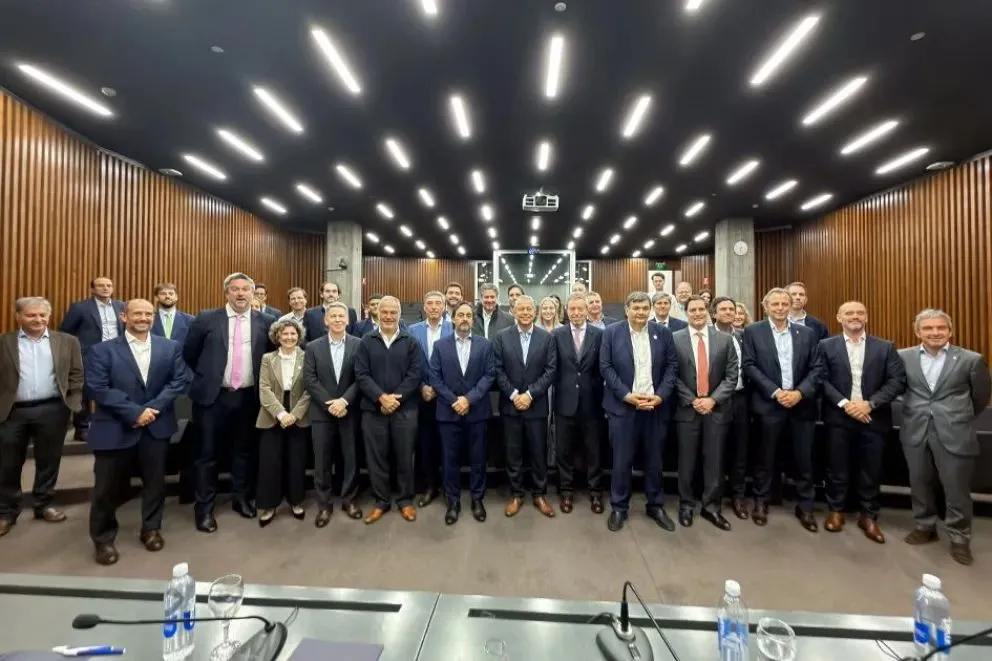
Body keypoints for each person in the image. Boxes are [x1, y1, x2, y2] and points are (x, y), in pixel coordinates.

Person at [84, 299, 189, 565]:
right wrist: (134, 412)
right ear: (124, 317)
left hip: (156, 426)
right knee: (106, 488)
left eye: (148, 314)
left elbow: (178, 380)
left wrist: (152, 409)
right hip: (114, 427)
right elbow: (97, 387)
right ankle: (103, 539)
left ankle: (151, 529)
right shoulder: (102, 350)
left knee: (155, 483)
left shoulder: (170, 347)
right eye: (137, 313)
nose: (143, 318)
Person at [899, 308, 991, 566]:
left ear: (950, 331)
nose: (935, 332)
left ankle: (959, 537)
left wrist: (956, 416)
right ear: (917, 332)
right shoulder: (903, 357)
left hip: (955, 431)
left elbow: (980, 397)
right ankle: (925, 526)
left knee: (956, 488)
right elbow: (898, 388)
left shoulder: (971, 360)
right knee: (919, 482)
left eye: (941, 327)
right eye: (928, 328)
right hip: (915, 429)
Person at [183, 273, 274, 532]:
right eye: (235, 289)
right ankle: (204, 509)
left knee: (243, 452)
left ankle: (241, 499)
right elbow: (190, 353)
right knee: (206, 455)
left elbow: (269, 357)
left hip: (248, 397)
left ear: (253, 293)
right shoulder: (206, 319)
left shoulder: (266, 322)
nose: (241, 293)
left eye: (246, 289)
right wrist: (209, 377)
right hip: (213, 397)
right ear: (226, 293)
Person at [817, 301, 906, 544]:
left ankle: (868, 515)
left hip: (873, 417)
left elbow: (897, 381)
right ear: (839, 317)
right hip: (838, 417)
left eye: (859, 313)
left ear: (866, 317)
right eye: (849, 313)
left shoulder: (885, 347)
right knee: (836, 467)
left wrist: (870, 404)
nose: (854, 316)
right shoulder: (826, 346)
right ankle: (836, 510)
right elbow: (821, 379)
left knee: (872, 469)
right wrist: (846, 404)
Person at [0, 297, 83, 537]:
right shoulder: (4, 342)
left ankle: (44, 504)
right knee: (7, 464)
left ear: (49, 316)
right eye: (31, 315)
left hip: (53, 410)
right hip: (12, 412)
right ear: (18, 316)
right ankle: (6, 512)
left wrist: (73, 402)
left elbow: (77, 374)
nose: (37, 319)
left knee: (49, 461)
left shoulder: (68, 341)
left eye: (42, 315)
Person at [741, 287, 820, 531]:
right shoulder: (753, 331)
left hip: (801, 405)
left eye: (784, 304)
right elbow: (749, 365)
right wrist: (775, 392)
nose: (780, 308)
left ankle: (805, 506)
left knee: (804, 459)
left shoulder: (807, 333)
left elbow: (817, 368)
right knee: (765, 458)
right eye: (774, 304)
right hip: (768, 405)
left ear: (790, 305)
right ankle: (761, 501)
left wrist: (799, 393)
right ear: (765, 307)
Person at [600, 291, 678, 532]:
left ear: (650, 309)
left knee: (654, 461)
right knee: (621, 461)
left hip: (655, 407)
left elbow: (672, 366)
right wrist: (627, 395)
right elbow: (605, 367)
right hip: (623, 407)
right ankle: (619, 507)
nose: (640, 312)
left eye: (645, 308)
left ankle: (655, 505)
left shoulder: (662, 333)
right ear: (627, 310)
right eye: (636, 308)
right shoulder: (611, 333)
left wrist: (660, 396)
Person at [672, 297, 738, 531]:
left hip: (716, 410)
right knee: (686, 462)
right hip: (686, 410)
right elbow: (671, 374)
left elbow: (732, 375)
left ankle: (711, 507)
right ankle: (686, 505)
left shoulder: (725, 340)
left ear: (709, 312)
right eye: (693, 310)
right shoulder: (674, 339)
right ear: (686, 313)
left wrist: (712, 399)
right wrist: (692, 400)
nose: (698, 313)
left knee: (715, 461)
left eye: (701, 309)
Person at [355, 296, 422, 523]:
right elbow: (361, 374)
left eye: (393, 312)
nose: (388, 316)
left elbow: (415, 374)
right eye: (384, 312)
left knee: (405, 457)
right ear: (377, 313)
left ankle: (405, 501)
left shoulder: (411, 341)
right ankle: (381, 501)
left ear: (399, 315)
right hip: (373, 410)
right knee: (376, 459)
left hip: (405, 410)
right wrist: (381, 398)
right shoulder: (366, 341)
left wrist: (395, 400)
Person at [428, 302, 495, 525]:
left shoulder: (485, 345)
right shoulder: (440, 346)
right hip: (448, 413)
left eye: (468, 315)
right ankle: (453, 501)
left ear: (473, 320)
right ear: (454, 319)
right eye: (460, 315)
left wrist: (468, 399)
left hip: (477, 411)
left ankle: (477, 499)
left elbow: (489, 375)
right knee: (450, 460)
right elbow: (435, 377)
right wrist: (454, 400)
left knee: (478, 459)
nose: (465, 318)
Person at [492, 295, 557, 518]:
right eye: (521, 309)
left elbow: (550, 370)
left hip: (536, 405)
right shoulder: (501, 337)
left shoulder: (546, 338)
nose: (526, 313)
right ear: (514, 312)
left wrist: (529, 394)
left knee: (538, 453)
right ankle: (516, 494)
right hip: (510, 406)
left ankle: (539, 494)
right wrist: (513, 395)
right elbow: (497, 369)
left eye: (529, 309)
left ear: (535, 312)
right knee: (513, 453)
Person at [302, 302, 363, 526]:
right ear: (325, 321)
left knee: (350, 458)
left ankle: (349, 500)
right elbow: (310, 379)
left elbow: (361, 377)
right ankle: (324, 505)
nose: (337, 319)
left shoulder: (359, 344)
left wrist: (344, 401)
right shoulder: (312, 347)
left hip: (349, 410)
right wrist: (330, 404)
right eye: (333, 316)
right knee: (322, 461)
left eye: (341, 316)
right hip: (322, 412)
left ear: (348, 320)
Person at [551, 293, 605, 514]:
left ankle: (596, 491)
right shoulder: (557, 335)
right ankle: (566, 491)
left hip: (592, 402)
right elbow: (553, 368)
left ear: (586, 310)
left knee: (594, 450)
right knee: (563, 450)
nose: (576, 313)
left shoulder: (599, 334)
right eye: (572, 309)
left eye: (580, 309)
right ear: (566, 310)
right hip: (564, 402)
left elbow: (602, 367)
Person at [255, 318, 310, 527]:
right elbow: (264, 389)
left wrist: (294, 415)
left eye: (293, 334)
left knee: (296, 461)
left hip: (299, 414)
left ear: (299, 336)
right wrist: (281, 414)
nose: (289, 337)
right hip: (272, 414)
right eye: (284, 334)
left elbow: (310, 389)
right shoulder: (268, 358)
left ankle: (296, 501)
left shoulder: (307, 356)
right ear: (277, 337)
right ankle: (269, 506)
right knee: (270, 462)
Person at [59, 276, 125, 441]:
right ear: (92, 289)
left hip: (117, 355)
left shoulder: (121, 306)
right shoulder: (80, 308)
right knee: (84, 393)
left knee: (116, 390)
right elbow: (65, 332)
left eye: (109, 285)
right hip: (89, 356)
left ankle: (113, 425)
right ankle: (82, 428)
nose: (105, 288)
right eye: (101, 285)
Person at [409, 291, 453, 507]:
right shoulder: (412, 331)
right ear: (424, 307)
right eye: (430, 303)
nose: (434, 307)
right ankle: (430, 486)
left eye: (438, 303)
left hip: (447, 397)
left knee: (448, 444)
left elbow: (458, 364)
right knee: (425, 445)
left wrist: (439, 388)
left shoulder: (454, 328)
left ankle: (449, 487)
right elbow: (408, 363)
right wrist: (421, 387)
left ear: (444, 307)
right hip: (422, 396)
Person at [711, 296, 750, 519]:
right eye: (723, 309)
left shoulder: (744, 336)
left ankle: (738, 496)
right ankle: (713, 497)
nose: (728, 312)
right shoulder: (708, 335)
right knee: (716, 451)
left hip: (741, 399)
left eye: (731, 309)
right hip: (716, 400)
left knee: (740, 451)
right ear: (714, 313)